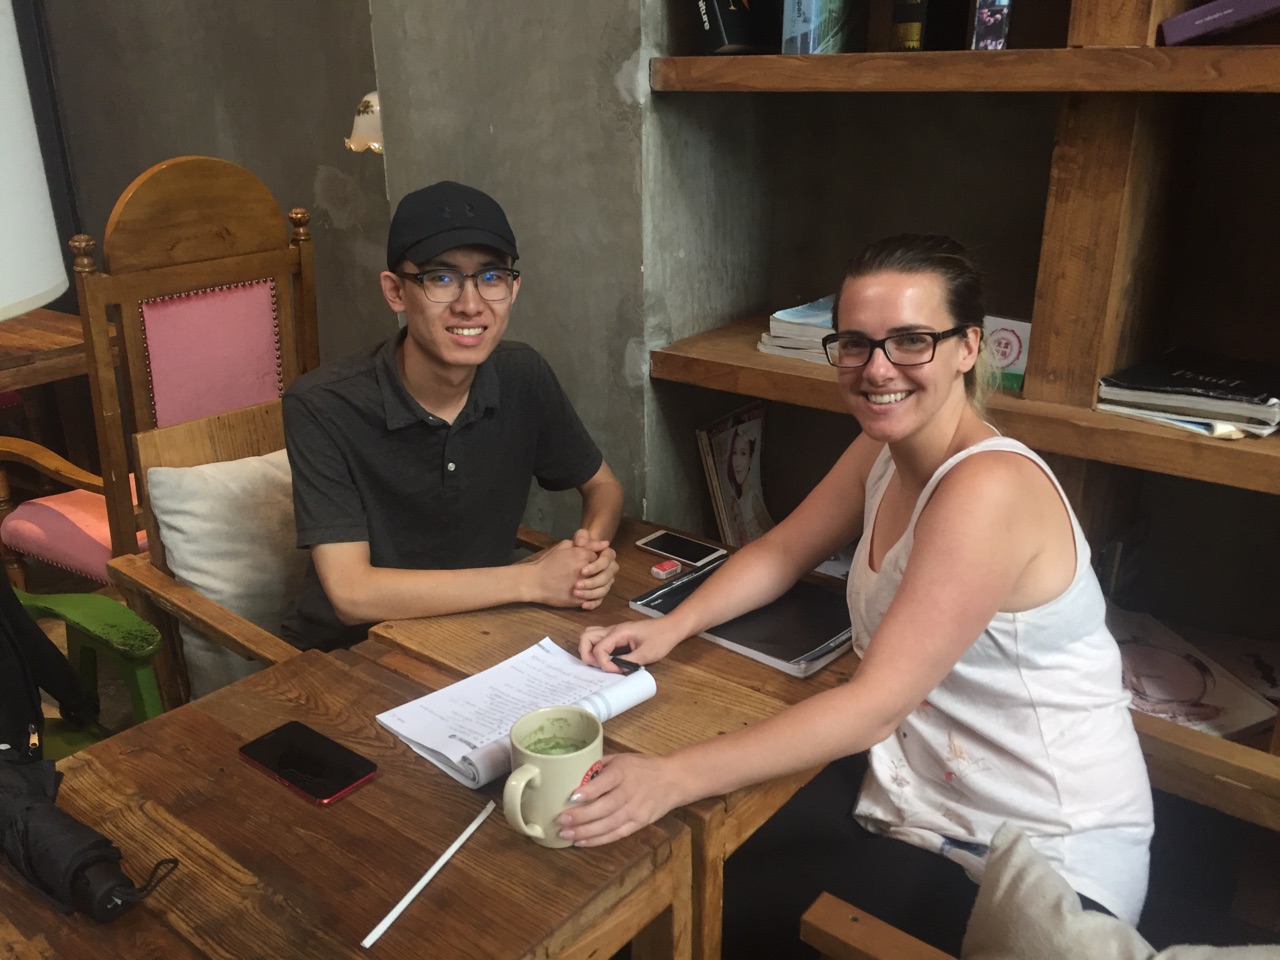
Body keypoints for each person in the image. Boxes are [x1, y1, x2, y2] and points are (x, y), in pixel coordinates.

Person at [568, 234, 1153, 955]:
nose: (878, 370)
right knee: (682, 864)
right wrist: (673, 625)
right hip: (919, 793)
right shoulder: (882, 448)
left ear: (969, 347)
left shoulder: (987, 488)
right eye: (855, 343)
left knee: (697, 902)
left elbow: (873, 706)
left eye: (911, 340)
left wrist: (670, 777)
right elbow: (784, 551)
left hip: (1035, 859)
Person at [281, 181, 623, 651]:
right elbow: (351, 595)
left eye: (491, 277)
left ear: (513, 288)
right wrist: (531, 581)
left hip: (479, 632)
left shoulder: (522, 374)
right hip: (353, 653)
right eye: (441, 277)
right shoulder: (323, 405)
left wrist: (588, 556)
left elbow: (603, 486)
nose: (470, 303)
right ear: (395, 291)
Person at [720, 421, 773, 545]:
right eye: (734, 453)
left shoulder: (753, 499)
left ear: (750, 459)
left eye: (743, 453)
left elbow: (773, 535)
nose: (737, 462)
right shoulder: (737, 501)